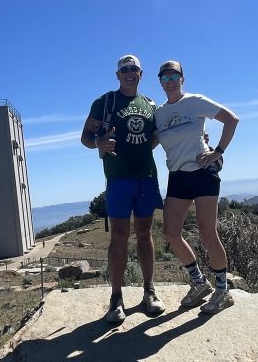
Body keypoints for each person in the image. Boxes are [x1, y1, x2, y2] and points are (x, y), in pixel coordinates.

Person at [81, 54, 166, 323]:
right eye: (125, 69)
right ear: (118, 75)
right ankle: (116, 298)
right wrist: (99, 145)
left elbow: (155, 136)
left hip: (146, 176)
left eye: (135, 69)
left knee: (144, 232)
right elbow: (85, 137)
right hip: (118, 178)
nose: (130, 73)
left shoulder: (151, 104)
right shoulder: (104, 102)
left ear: (141, 74)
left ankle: (148, 291)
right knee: (119, 235)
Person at [154, 60, 239, 314]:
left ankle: (223, 291)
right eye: (165, 77)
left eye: (174, 76)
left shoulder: (195, 101)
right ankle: (200, 283)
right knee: (171, 232)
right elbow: (149, 142)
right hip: (177, 175)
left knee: (207, 232)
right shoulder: (158, 113)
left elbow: (231, 120)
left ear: (183, 79)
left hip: (203, 173)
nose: (170, 81)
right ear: (160, 81)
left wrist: (218, 152)